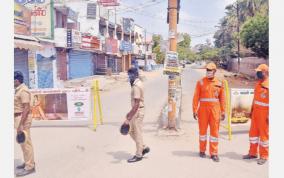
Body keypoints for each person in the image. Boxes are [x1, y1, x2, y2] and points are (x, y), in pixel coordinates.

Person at [192, 62, 226, 162]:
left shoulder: (220, 83)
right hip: (203, 111)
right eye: (207, 70)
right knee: (202, 132)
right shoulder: (200, 82)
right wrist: (194, 110)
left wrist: (223, 112)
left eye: (210, 70)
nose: (208, 72)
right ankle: (202, 150)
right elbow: (196, 97)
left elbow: (222, 99)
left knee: (214, 133)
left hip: (215, 111)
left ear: (214, 71)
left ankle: (214, 153)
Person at [243, 64, 269, 165]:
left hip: (265, 114)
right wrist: (251, 111)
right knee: (253, 134)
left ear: (265, 72)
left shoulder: (270, 85)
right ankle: (252, 153)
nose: (257, 73)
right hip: (256, 113)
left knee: (264, 136)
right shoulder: (258, 84)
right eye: (257, 71)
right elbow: (255, 99)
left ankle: (264, 155)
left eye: (259, 72)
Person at [123, 67, 150, 163]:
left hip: (137, 111)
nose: (129, 77)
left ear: (135, 75)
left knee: (137, 133)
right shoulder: (137, 83)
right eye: (128, 75)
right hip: (137, 111)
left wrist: (129, 116)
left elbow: (137, 104)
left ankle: (139, 155)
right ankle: (143, 147)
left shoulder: (136, 86)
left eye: (130, 75)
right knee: (130, 131)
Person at [14, 71, 36, 176]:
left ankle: (30, 166)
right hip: (18, 117)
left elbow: (26, 109)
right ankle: (27, 161)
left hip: (22, 118)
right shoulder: (18, 90)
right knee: (23, 143)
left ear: (17, 80)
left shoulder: (23, 91)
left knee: (26, 143)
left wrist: (20, 124)